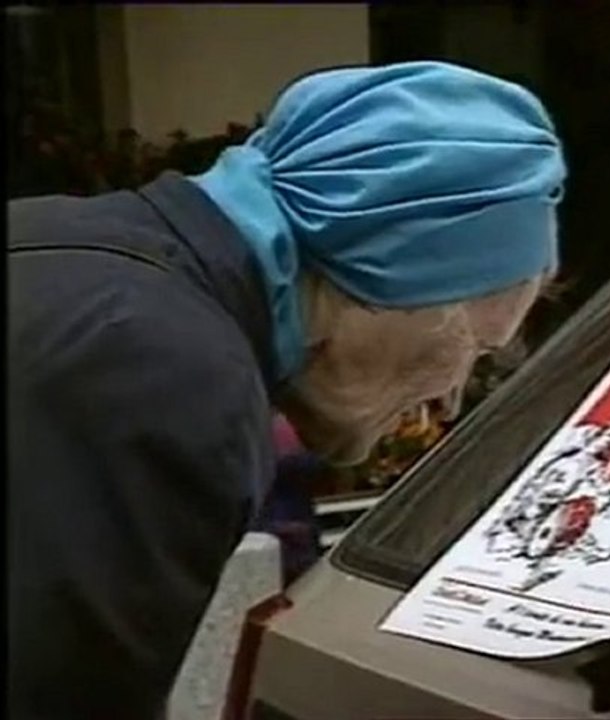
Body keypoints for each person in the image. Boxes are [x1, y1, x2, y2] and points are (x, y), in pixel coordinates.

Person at [8, 61, 565, 719]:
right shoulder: (172, 374)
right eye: (477, 349)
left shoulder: (60, 242)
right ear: (400, 275)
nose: (450, 397)